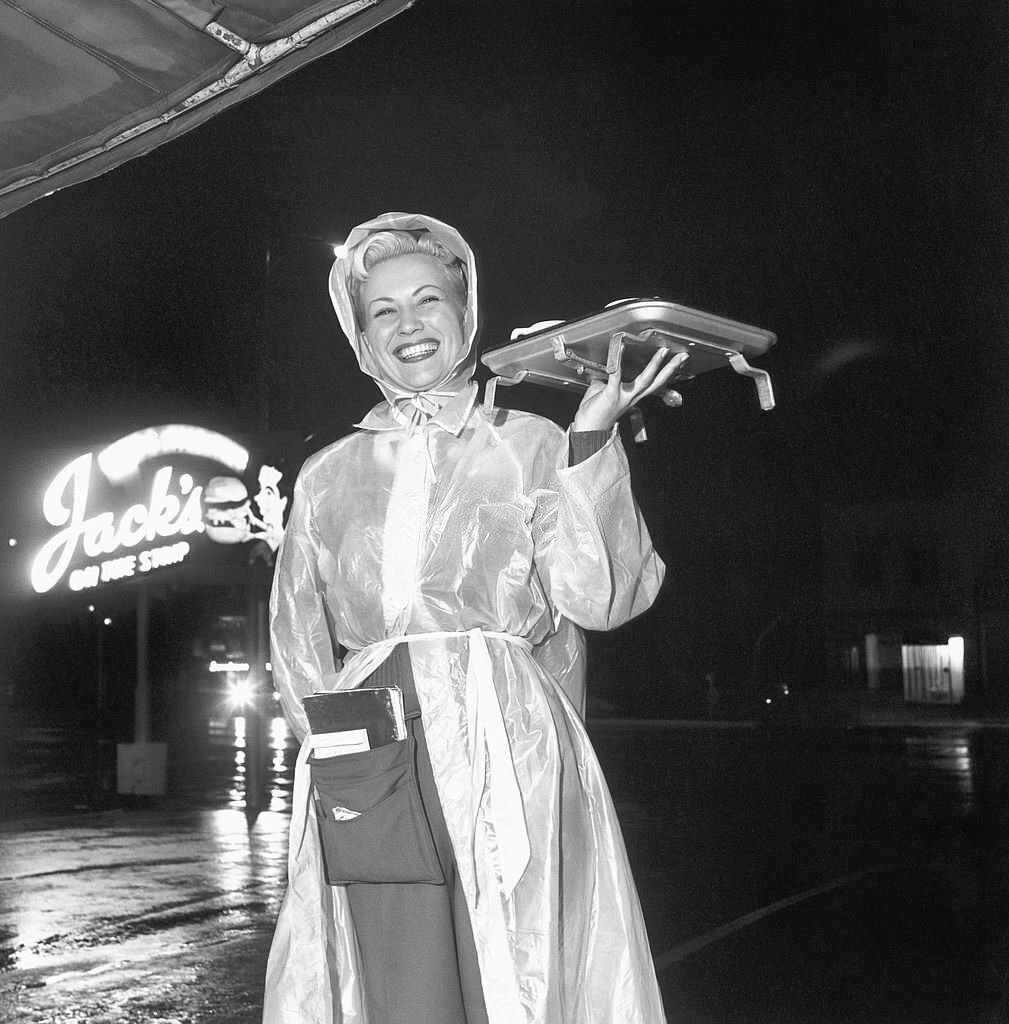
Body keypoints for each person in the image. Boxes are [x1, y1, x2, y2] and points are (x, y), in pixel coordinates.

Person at [262, 212, 681, 1024]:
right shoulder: (325, 474)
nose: (409, 324)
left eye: (428, 299)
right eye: (383, 310)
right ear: (359, 334)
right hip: (374, 743)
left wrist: (591, 440)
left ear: (466, 311)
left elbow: (601, 596)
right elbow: (296, 637)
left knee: (515, 962)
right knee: (396, 977)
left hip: (508, 736)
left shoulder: (530, 442)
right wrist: (335, 762)